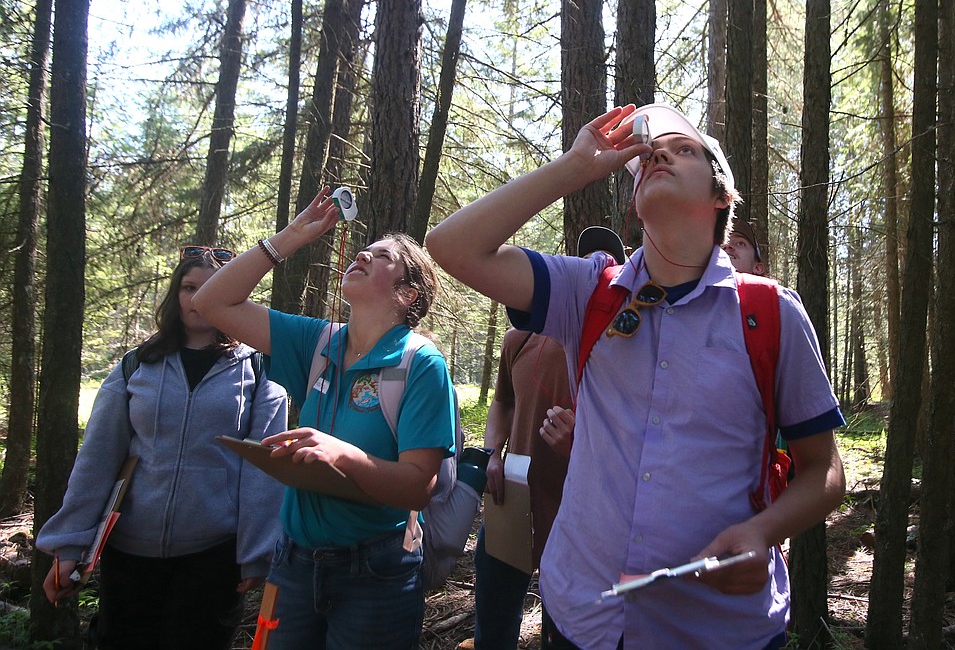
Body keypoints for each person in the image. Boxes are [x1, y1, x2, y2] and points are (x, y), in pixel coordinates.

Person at [427, 103, 846, 650]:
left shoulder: (771, 314)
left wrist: (764, 532)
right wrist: (575, 167)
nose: (660, 154)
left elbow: (825, 470)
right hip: (580, 616)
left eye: (685, 149)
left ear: (721, 198)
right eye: (651, 154)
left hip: (716, 631)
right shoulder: (588, 293)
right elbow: (450, 246)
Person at [192, 188, 458, 650]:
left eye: (383, 257)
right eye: (364, 249)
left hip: (376, 572)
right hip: (291, 563)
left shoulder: (420, 364)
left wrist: (344, 456)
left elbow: (419, 486)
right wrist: (293, 236)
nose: (362, 254)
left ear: (406, 292)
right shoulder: (316, 341)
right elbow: (212, 302)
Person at [38, 246, 287, 650]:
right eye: (189, 287)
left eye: (211, 288)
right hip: (129, 552)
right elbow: (98, 457)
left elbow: (262, 470)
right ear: (175, 294)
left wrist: (256, 552)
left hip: (213, 557)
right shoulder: (136, 364)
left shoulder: (260, 373)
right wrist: (70, 543)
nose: (198, 299)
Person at [463, 227, 626, 650]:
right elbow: (503, 402)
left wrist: (581, 440)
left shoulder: (620, 342)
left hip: (575, 506)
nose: (595, 267)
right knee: (495, 617)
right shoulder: (519, 337)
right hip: (512, 497)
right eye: (585, 259)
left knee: (565, 624)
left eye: (607, 263)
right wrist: (491, 452)